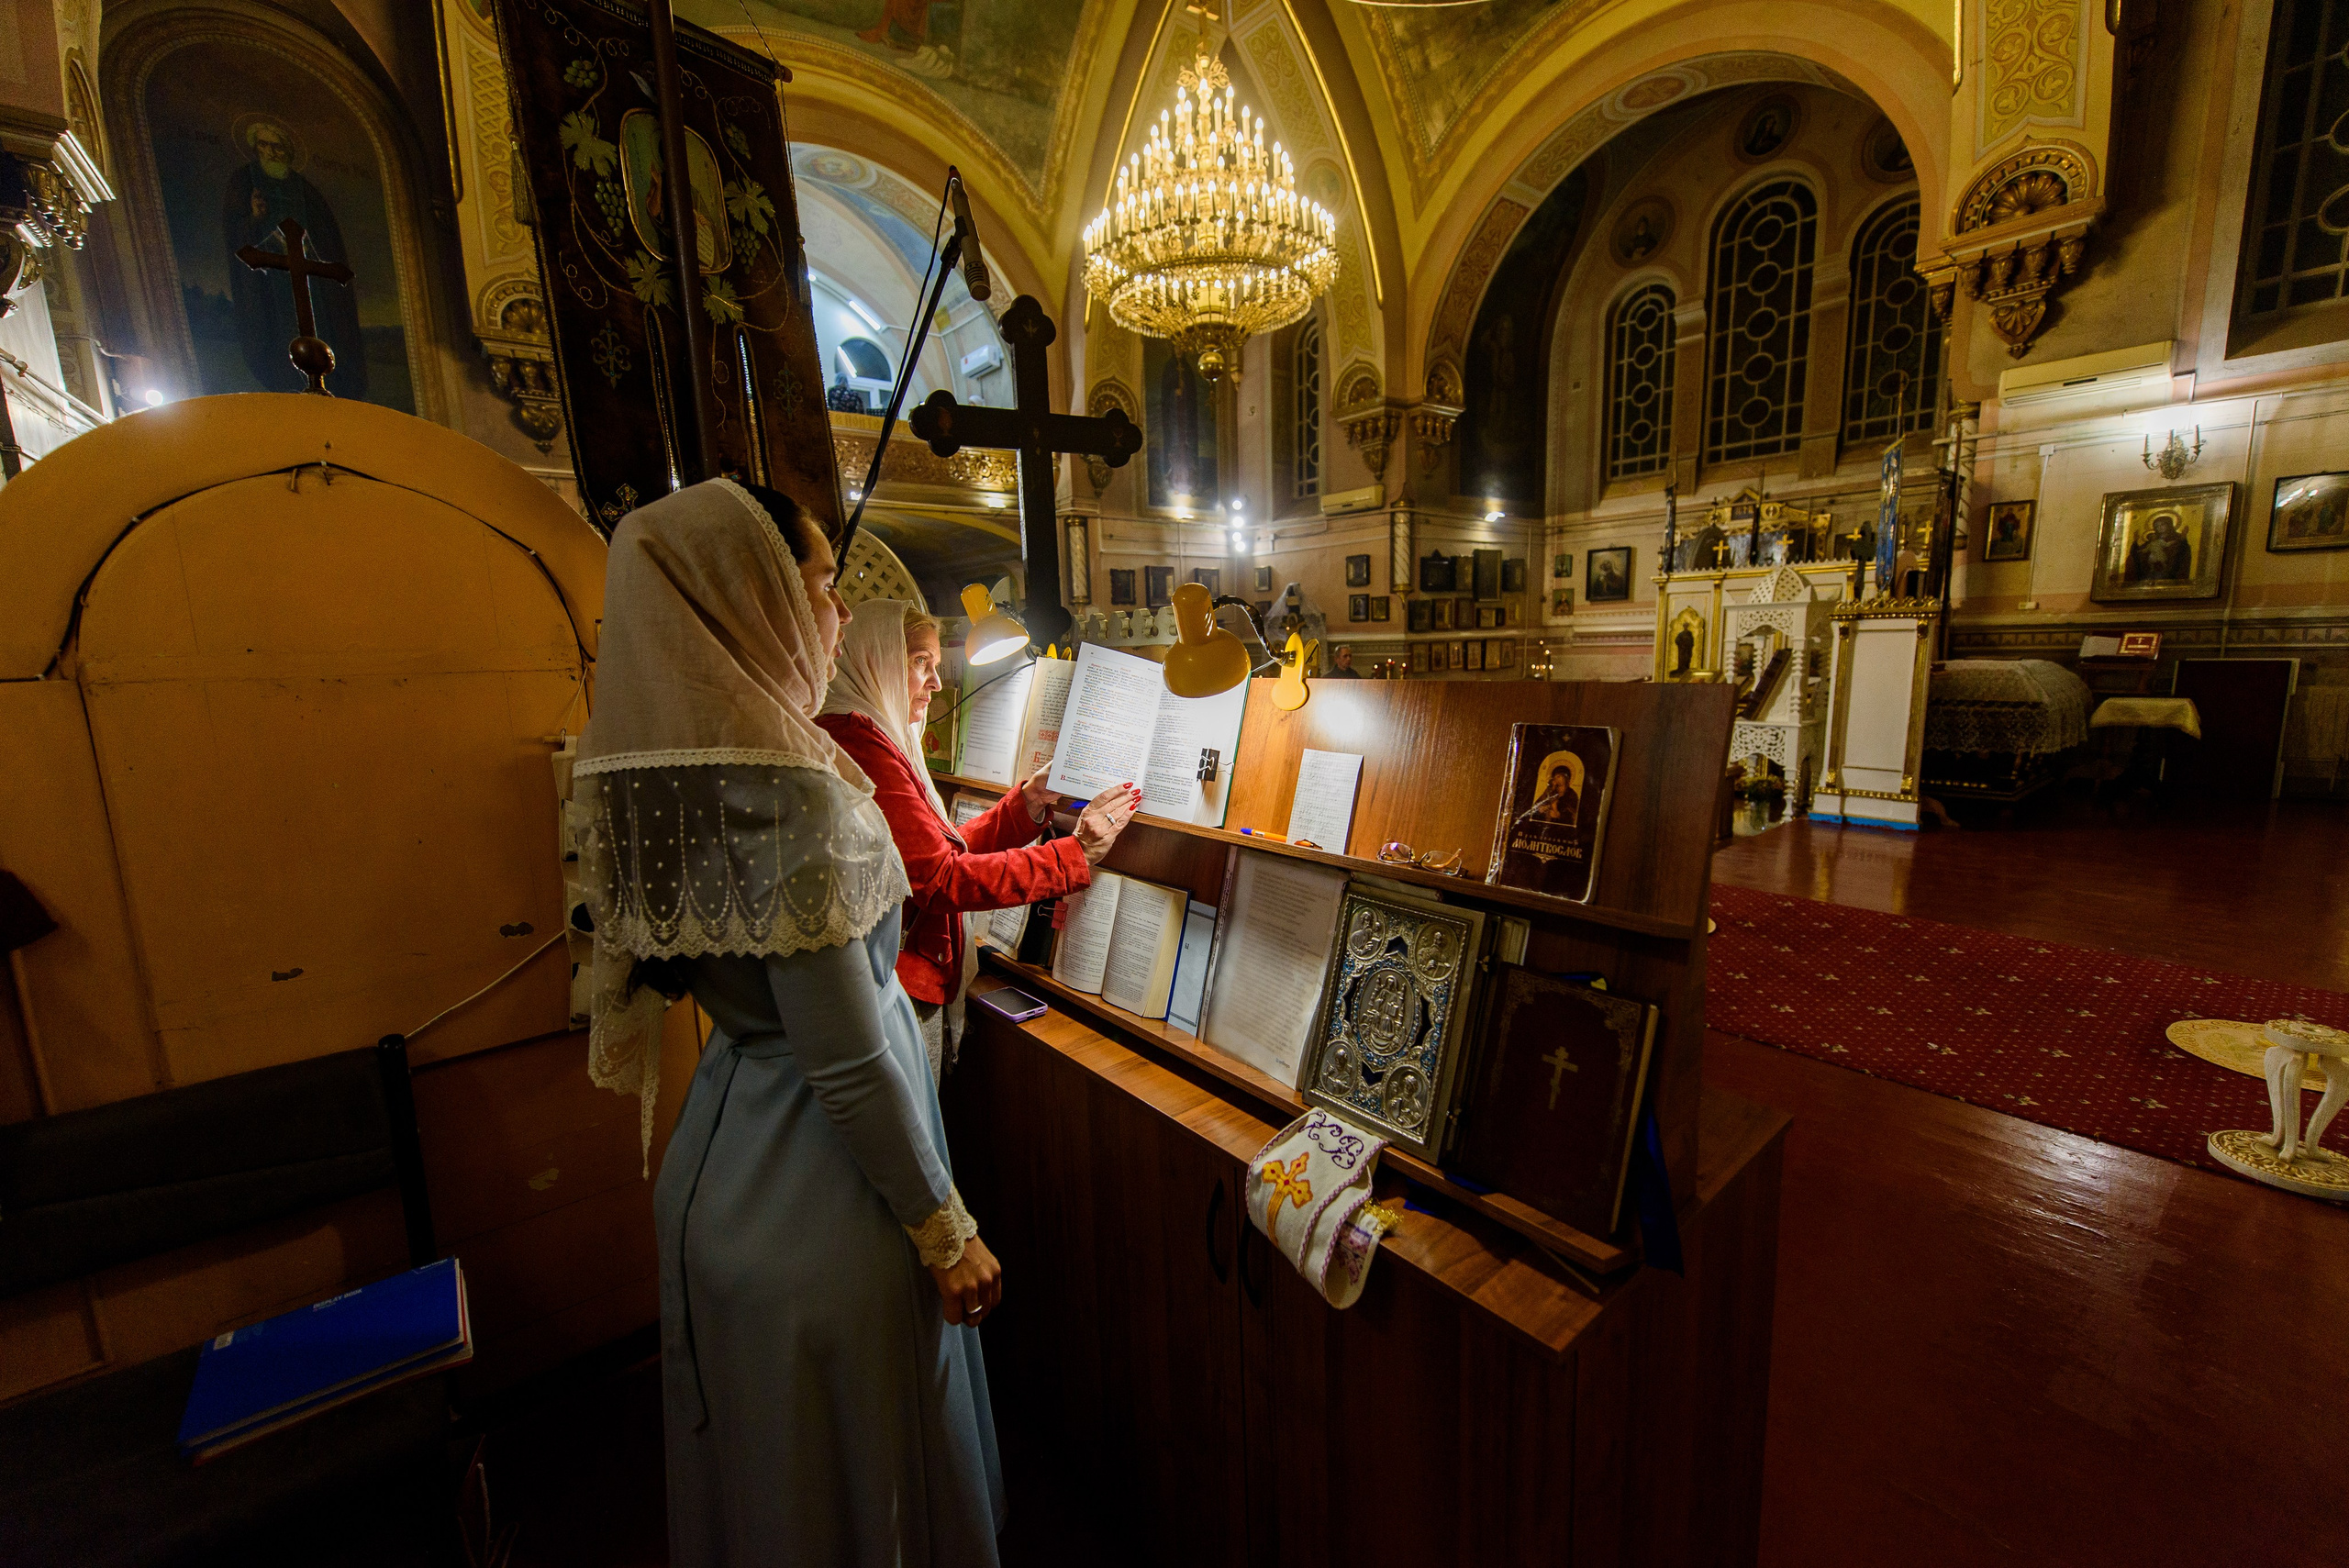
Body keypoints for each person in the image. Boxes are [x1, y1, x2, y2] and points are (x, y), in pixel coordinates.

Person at [573, 477, 1003, 1566]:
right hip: (828, 1192)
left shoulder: (657, 779)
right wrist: (945, 1228)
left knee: (775, 1472)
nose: (835, 612)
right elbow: (851, 1059)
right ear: (748, 595)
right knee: (870, 1472)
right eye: (818, 584)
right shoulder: (793, 792)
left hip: (722, 1161)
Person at [817, 600, 1139, 1079]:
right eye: (919, 663)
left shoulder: (876, 730)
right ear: (874, 659)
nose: (936, 683)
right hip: (895, 983)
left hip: (900, 976)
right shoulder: (861, 742)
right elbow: (941, 880)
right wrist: (1076, 853)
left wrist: (1027, 801)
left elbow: (936, 852)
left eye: (934, 663)